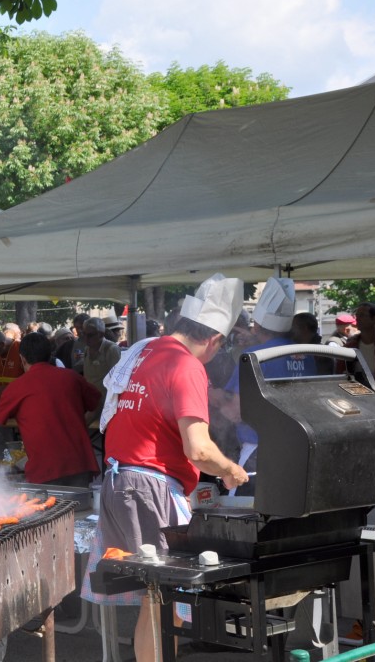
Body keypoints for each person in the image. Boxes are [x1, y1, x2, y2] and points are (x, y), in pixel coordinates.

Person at [81, 273, 250, 662]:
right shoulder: (187, 365)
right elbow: (198, 449)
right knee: (165, 601)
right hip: (150, 487)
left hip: (120, 480)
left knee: (153, 599)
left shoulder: (145, 350)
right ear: (214, 339)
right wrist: (230, 469)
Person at [217, 277, 316, 494]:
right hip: (299, 449)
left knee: (246, 515)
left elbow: (234, 409)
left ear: (258, 324)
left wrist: (209, 394)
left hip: (259, 452)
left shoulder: (252, 356)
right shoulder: (306, 354)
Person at [0, 333, 100, 487]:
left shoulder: (16, 387)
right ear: (50, 354)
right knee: (80, 510)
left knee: (51, 510)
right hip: (79, 463)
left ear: (22, 359)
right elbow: (97, 402)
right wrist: (82, 424)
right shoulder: (72, 377)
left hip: (45, 469)